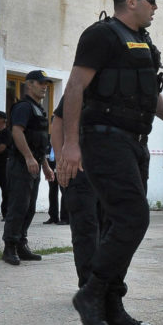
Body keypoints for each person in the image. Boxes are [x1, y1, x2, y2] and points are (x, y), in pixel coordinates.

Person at [57, 0, 163, 325]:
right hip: (104, 139)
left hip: (136, 142)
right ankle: (91, 293)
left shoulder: (144, 42)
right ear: (131, 2)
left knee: (120, 223)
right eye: (151, 0)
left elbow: (149, 91)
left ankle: (112, 307)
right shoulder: (102, 35)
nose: (156, 7)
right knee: (133, 217)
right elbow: (74, 87)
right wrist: (71, 144)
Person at [2, 70, 55, 265]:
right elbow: (17, 132)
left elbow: (38, 141)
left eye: (46, 84)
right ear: (29, 85)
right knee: (18, 206)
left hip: (33, 164)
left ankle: (21, 244)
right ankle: (9, 247)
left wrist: (46, 166)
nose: (44, 87)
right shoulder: (23, 107)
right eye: (40, 83)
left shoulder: (38, 109)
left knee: (29, 207)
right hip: (20, 164)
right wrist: (28, 158)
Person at [51, 94, 104, 288]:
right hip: (80, 169)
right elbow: (58, 121)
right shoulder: (82, 86)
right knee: (86, 230)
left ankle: (105, 285)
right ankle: (89, 287)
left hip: (109, 170)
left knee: (109, 229)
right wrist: (60, 161)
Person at [43, 127, 68, 225]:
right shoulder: (48, 138)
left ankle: (65, 218)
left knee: (64, 192)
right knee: (52, 192)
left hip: (62, 167)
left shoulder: (65, 139)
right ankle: (53, 217)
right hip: (51, 167)